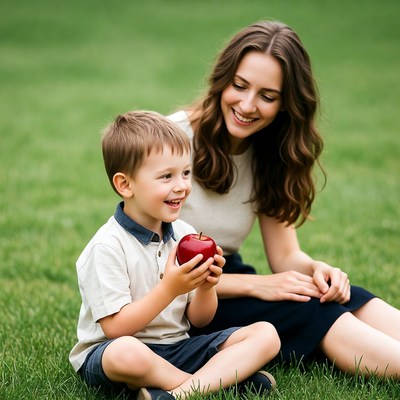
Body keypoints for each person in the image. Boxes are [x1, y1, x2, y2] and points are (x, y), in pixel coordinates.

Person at [168, 20, 400, 379]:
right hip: (181, 300)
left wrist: (316, 271)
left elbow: (285, 257)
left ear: (286, 104)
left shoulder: (269, 151)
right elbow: (145, 269)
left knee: (333, 295)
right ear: (223, 80)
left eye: (267, 96)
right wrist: (257, 286)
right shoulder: (172, 139)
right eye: (240, 86)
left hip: (226, 275)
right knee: (310, 310)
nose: (247, 105)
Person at [69, 110, 281, 400]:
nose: (181, 185)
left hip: (178, 348)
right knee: (126, 353)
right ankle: (213, 383)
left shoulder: (184, 234)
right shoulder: (107, 247)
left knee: (266, 335)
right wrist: (170, 288)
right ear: (125, 185)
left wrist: (208, 286)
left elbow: (200, 320)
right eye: (166, 176)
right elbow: (117, 329)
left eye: (185, 172)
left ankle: (178, 393)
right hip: (114, 353)